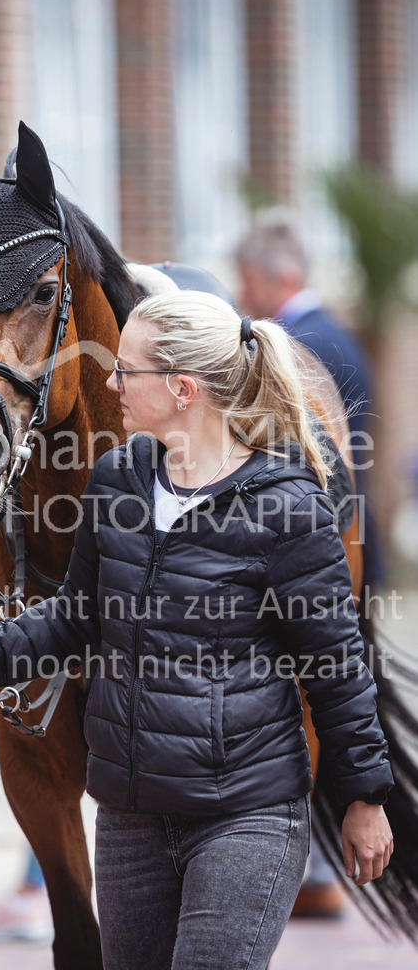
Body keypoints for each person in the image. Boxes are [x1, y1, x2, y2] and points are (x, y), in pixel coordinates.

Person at [0, 291, 394, 969]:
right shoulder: (118, 480)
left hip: (244, 815)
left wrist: (365, 796)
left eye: (125, 370)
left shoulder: (288, 507)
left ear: (183, 389)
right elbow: (77, 614)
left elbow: (335, 666)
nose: (110, 384)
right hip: (129, 821)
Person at [235, 211, 382, 916]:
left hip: (319, 550)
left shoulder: (302, 345)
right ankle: (318, 867)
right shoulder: (336, 334)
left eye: (248, 280)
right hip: (339, 542)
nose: (244, 295)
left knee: (319, 697)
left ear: (280, 276)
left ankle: (314, 867)